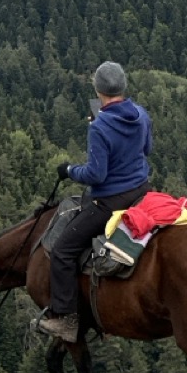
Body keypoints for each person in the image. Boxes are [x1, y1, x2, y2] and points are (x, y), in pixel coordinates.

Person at [39, 61, 152, 342]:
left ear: (98, 90)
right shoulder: (141, 114)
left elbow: (96, 174)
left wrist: (68, 170)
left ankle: (66, 319)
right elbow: (146, 148)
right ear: (123, 87)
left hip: (110, 201)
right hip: (141, 192)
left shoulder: (100, 125)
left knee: (63, 250)